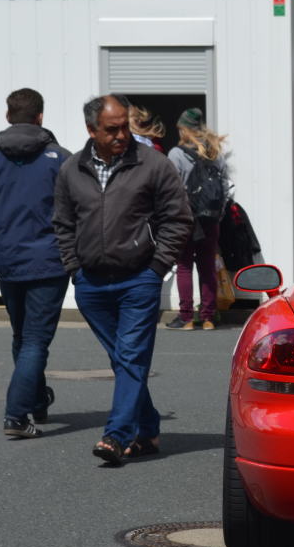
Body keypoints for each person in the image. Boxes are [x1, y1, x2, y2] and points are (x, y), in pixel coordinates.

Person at [53, 93, 192, 465]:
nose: (121, 135)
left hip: (138, 280)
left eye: (124, 127)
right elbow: (63, 224)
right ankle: (147, 428)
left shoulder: (154, 164)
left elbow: (178, 220)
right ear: (91, 130)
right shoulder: (71, 169)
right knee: (122, 359)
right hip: (91, 283)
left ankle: (117, 435)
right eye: (111, 129)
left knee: (130, 357)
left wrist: (156, 269)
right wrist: (74, 269)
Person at [0, 88, 71, 440]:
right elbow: (80, 210)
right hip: (50, 262)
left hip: (9, 259)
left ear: (8, 116)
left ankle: (36, 400)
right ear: (40, 116)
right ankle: (16, 414)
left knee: (23, 336)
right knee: (35, 339)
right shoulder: (61, 159)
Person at [165, 107, 230, 330]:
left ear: (184, 129)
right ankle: (209, 317)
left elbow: (171, 189)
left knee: (184, 266)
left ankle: (186, 317)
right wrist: (218, 215)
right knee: (207, 267)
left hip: (186, 218)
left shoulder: (176, 154)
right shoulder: (215, 152)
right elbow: (224, 187)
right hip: (210, 219)